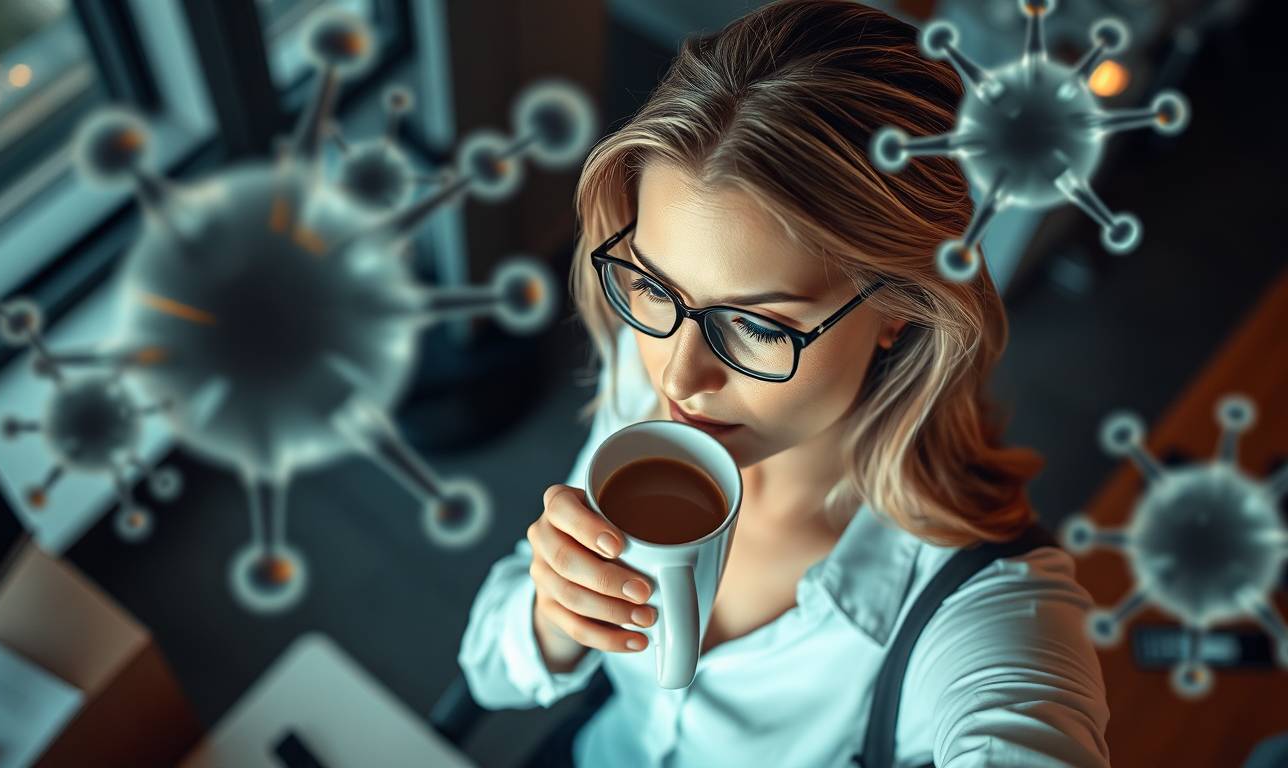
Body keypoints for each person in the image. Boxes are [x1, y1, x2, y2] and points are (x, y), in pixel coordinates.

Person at [456, 1, 1110, 766]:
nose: (680, 375)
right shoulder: (651, 392)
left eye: (759, 327)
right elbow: (487, 673)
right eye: (653, 288)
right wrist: (552, 618)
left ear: (902, 309)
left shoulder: (976, 602)